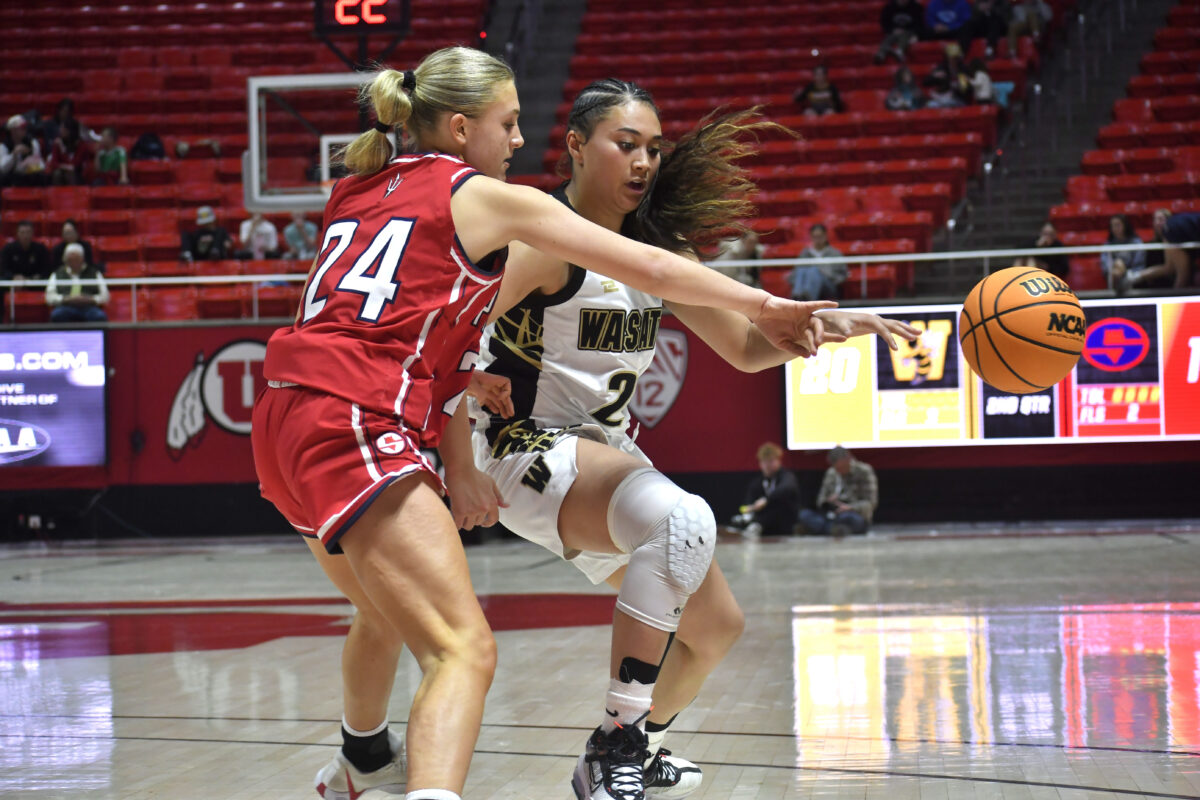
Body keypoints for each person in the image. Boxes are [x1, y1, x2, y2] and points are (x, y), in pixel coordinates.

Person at [251, 49, 842, 800]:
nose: (518, 140)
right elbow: (651, 273)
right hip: (399, 423)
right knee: (463, 651)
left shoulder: (359, 185)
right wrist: (769, 301)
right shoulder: (502, 205)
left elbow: (405, 314)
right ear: (463, 129)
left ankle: (363, 759)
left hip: (283, 410)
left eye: (653, 148)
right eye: (509, 123)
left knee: (384, 609)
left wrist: (461, 372)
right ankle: (612, 745)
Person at [459, 81, 919, 800]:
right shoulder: (543, 235)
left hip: (600, 449)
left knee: (716, 629)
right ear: (577, 147)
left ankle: (644, 747)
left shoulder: (657, 251)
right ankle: (613, 744)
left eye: (653, 148)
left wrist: (833, 328)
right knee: (683, 519)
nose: (644, 162)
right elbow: (447, 331)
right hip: (523, 443)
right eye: (625, 144)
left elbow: (742, 345)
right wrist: (458, 429)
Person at [797, 446, 878, 536]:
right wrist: (828, 501)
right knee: (804, 515)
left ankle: (822, 530)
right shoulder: (831, 473)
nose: (839, 471)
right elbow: (820, 500)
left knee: (847, 518)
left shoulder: (864, 471)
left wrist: (850, 507)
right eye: (837, 469)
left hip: (852, 513)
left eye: (842, 468)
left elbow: (870, 503)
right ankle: (834, 530)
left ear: (848, 459)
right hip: (832, 514)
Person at [730, 442, 801, 538]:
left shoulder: (787, 477)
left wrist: (766, 500)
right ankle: (752, 525)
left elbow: (787, 488)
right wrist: (749, 508)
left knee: (778, 506)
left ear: (779, 461)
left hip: (785, 525)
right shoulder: (757, 483)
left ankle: (757, 525)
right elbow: (746, 505)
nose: (767, 465)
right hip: (764, 530)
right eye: (764, 462)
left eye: (771, 461)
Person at [1131, 211, 1200, 290]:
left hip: (1173, 227)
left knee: (1169, 268)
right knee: (1183, 277)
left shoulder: (1172, 224)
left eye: (1161, 219)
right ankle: (1175, 300)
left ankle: (1132, 277)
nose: (1157, 223)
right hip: (1177, 229)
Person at [45, 242, 109, 323]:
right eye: (70, 260)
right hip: (65, 307)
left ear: (82, 259)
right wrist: (65, 299)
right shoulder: (57, 274)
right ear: (65, 260)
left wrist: (90, 299)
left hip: (89, 307)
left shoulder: (94, 273)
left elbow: (105, 296)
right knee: (57, 315)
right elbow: (49, 297)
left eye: (76, 259)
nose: (73, 262)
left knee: (99, 316)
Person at [789, 222, 847, 301]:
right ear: (811, 237)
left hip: (829, 286)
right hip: (804, 285)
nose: (818, 239)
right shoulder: (805, 252)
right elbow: (794, 274)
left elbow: (842, 275)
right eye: (815, 237)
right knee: (801, 269)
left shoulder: (834, 253)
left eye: (820, 236)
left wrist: (829, 276)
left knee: (814, 270)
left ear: (825, 236)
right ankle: (797, 295)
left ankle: (807, 298)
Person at [1100, 213, 1145, 294]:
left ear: (1125, 225)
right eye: (1112, 226)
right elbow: (1105, 265)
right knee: (1117, 264)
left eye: (1117, 225)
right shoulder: (1108, 244)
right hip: (1114, 275)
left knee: (1119, 264)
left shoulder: (1136, 242)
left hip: (1133, 275)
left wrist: (1127, 272)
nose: (1115, 228)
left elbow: (1139, 264)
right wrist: (1114, 271)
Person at [1, 115, 46, 187]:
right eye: (22, 128)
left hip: (29, 177)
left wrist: (29, 157)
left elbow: (38, 163)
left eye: (25, 128)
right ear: (13, 131)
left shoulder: (32, 142)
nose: (25, 130)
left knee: (41, 177)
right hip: (12, 178)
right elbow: (2, 169)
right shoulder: (4, 146)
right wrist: (14, 155)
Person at [876, 0, 926, 64]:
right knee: (889, 38)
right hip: (894, 32)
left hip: (909, 32)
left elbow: (920, 24)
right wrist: (892, 30)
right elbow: (884, 23)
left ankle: (899, 51)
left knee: (905, 36)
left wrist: (917, 35)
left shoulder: (916, 7)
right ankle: (881, 54)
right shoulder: (889, 7)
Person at [46, 118, 90, 186]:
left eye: (63, 129)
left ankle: (74, 195)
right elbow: (54, 163)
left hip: (78, 175)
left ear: (69, 131)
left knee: (69, 174)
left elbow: (74, 165)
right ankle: (57, 195)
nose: (60, 131)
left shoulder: (82, 145)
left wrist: (63, 150)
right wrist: (66, 167)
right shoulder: (58, 143)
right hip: (62, 173)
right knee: (57, 173)